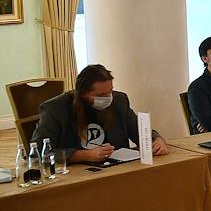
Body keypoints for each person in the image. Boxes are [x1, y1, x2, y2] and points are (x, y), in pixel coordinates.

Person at [31, 64, 170, 163]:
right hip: (76, 175)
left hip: (117, 170)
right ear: (82, 94)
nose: (108, 98)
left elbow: (138, 131)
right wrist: (82, 155)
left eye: (110, 91)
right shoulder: (55, 109)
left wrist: (156, 140)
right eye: (101, 95)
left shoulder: (119, 100)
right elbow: (39, 153)